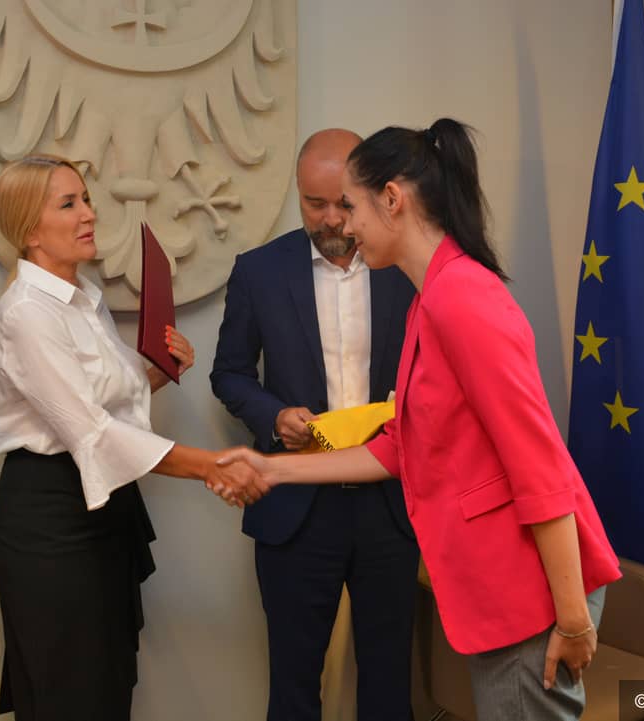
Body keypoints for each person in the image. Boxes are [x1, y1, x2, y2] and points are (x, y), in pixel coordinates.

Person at [218, 120, 622, 721]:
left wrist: (572, 616)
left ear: (392, 199)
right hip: (504, 589)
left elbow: (539, 467)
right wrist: (270, 469)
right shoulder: (433, 296)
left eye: (351, 206)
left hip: (528, 590)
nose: (345, 226)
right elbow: (399, 446)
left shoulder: (460, 298)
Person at [0, 153, 263, 721]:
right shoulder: (27, 314)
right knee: (70, 695)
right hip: (50, 521)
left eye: (86, 199)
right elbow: (92, 432)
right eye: (69, 204)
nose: (89, 213)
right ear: (30, 230)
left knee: (107, 684)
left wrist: (157, 373)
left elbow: (100, 400)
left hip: (102, 511)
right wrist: (208, 465)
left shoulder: (85, 298)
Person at [211, 128, 419, 721]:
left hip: (390, 506)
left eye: (343, 204)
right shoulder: (259, 272)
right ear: (296, 194)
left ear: (373, 193)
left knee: (389, 685)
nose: (330, 219)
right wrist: (273, 416)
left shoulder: (407, 266)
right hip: (297, 511)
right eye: (313, 203)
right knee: (294, 687)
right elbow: (229, 374)